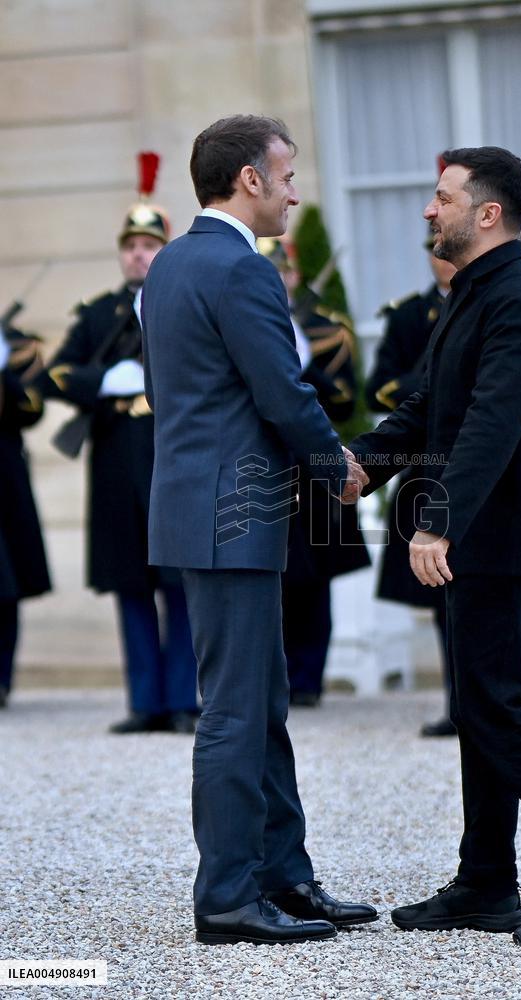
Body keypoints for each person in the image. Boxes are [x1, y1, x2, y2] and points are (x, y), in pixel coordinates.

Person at [349, 146, 521, 948]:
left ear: (487, 213)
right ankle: (486, 881)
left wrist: (435, 519)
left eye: (441, 198)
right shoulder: (472, 297)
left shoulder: (518, 302)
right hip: (489, 541)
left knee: (500, 709)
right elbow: (428, 408)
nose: (428, 210)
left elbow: (490, 429)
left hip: (512, 542)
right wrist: (360, 468)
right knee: (479, 708)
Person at [141, 114, 376, 946]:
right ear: (248, 180)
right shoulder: (240, 269)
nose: (293, 191)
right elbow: (281, 391)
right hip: (227, 518)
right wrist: (339, 467)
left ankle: (285, 875)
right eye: (286, 175)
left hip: (205, 512)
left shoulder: (170, 263)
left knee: (261, 702)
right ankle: (228, 895)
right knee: (237, 711)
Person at [32, 193, 199, 734]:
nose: (138, 256)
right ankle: (145, 701)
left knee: (179, 584)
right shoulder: (99, 314)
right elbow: (55, 374)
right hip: (113, 465)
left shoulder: (181, 302)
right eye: (130, 246)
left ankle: (181, 700)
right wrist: (104, 381)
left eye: (149, 245)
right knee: (132, 586)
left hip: (170, 456)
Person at [258, 238, 370, 707]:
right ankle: (275, 678)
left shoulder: (326, 330)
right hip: (265, 464)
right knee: (271, 572)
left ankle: (308, 678)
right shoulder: (247, 325)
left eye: (280, 273)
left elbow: (345, 399)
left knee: (315, 574)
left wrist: (305, 366)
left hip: (314, 465)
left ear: (293, 278)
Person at [366, 237, 456, 736]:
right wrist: (427, 384)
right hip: (426, 462)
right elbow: (377, 385)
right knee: (445, 597)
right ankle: (457, 702)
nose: (441, 256)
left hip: (481, 460)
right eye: (433, 249)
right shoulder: (409, 316)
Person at [0, 323, 51, 706]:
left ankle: (2, 679)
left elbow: (32, 407)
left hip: (4, 481)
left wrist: (3, 371)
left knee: (6, 584)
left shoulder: (16, 342)